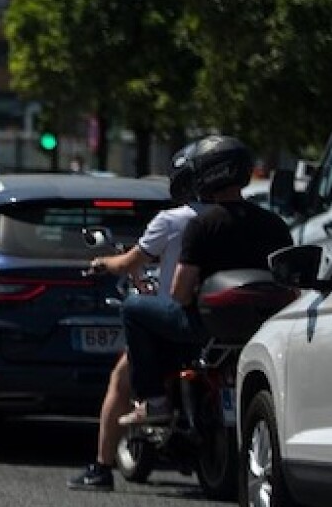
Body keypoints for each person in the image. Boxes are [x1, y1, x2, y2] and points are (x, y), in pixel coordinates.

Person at [118, 135, 291, 427]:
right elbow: (290, 281)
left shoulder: (203, 224)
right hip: (262, 326)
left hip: (206, 327)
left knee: (134, 309)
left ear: (206, 175)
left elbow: (180, 293)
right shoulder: (274, 224)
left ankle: (154, 400)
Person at [68, 144, 200, 491]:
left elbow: (128, 263)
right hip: (219, 320)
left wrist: (101, 263)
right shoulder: (228, 218)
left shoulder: (174, 220)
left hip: (174, 318)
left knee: (120, 379)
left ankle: (101, 467)